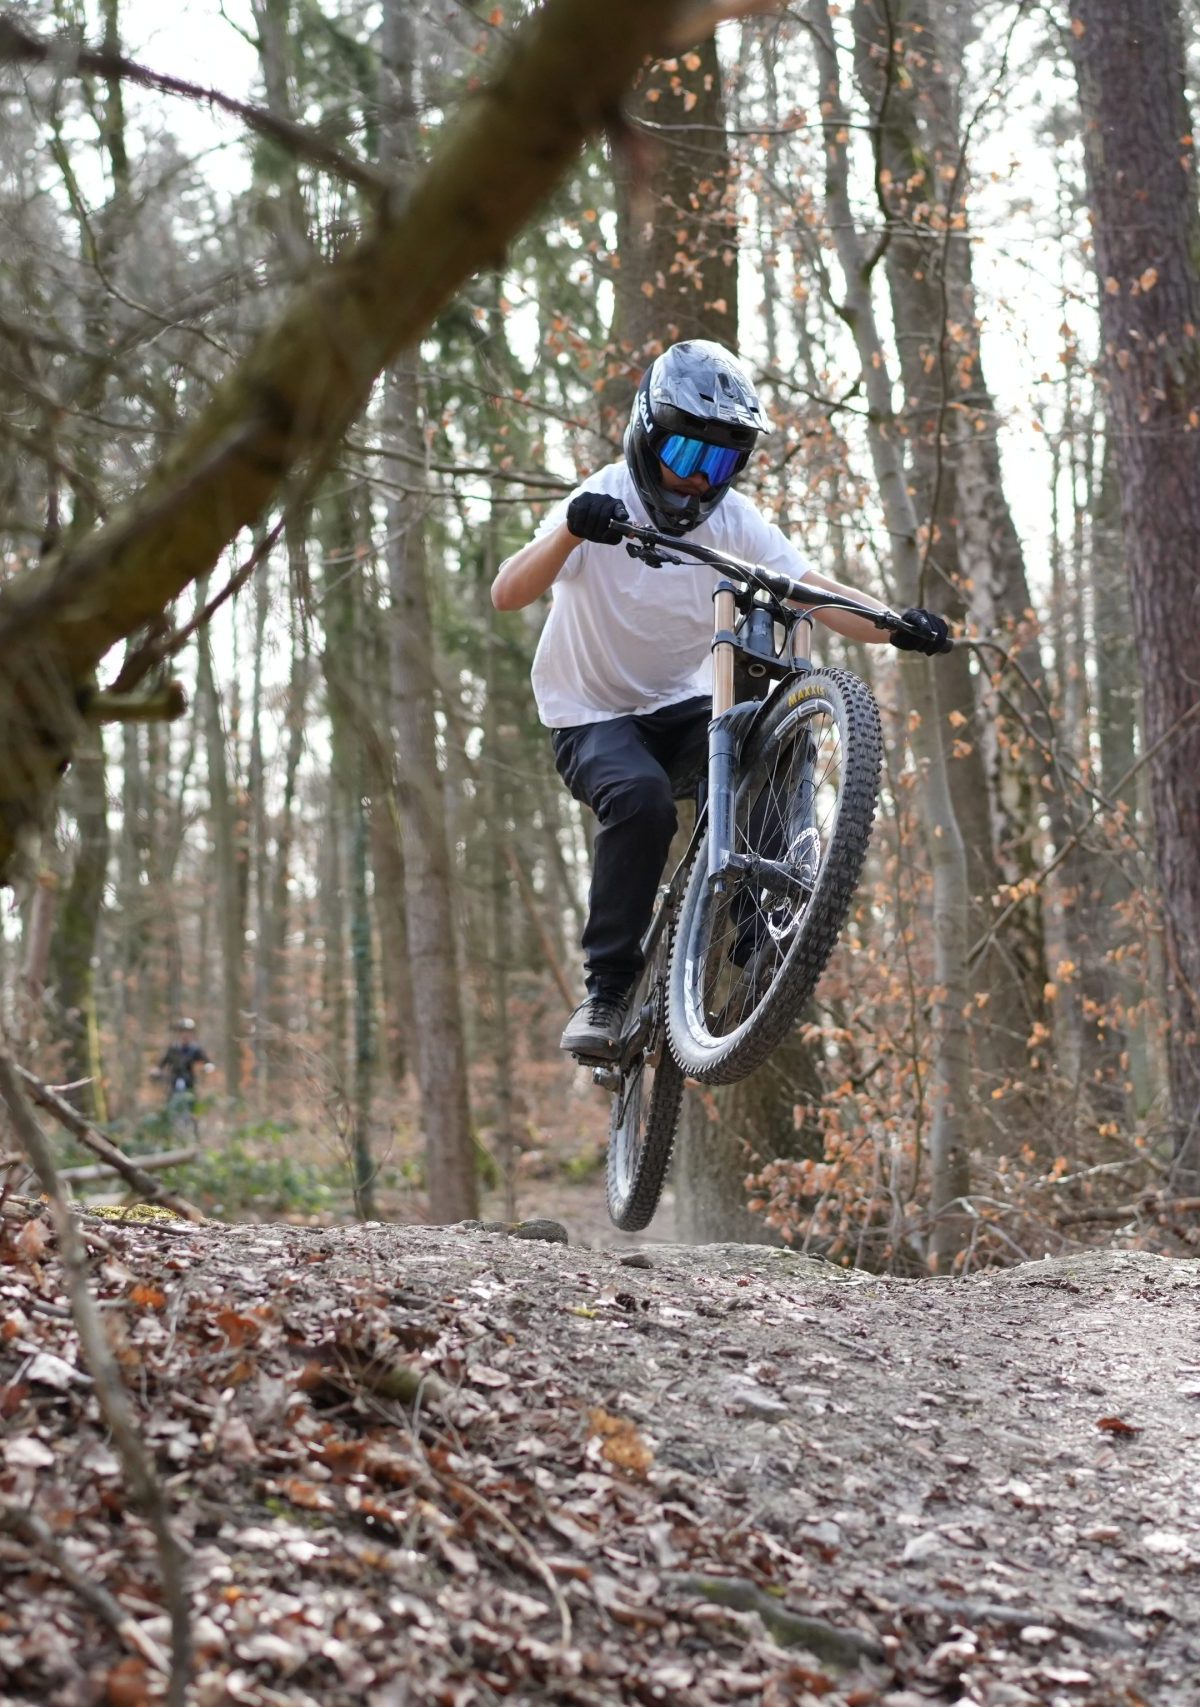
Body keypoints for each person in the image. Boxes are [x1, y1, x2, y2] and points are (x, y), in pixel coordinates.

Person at [491, 339, 951, 1061]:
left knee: (766, 730)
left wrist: (896, 625)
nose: (700, 482)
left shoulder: (734, 523)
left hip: (681, 709)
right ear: (647, 435)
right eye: (687, 456)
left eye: (721, 464)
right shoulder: (602, 495)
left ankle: (757, 926)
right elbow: (506, 591)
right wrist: (569, 530)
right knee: (640, 800)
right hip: (591, 716)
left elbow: (814, 590)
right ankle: (606, 991)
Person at [157, 1018, 211, 1100]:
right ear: (179, 1033)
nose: (185, 1035)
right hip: (174, 1082)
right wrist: (157, 1070)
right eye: (183, 1032)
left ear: (192, 1034)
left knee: (191, 1101)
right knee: (171, 1102)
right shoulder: (173, 1048)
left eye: (188, 1032)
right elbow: (163, 1062)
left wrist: (207, 1066)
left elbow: (206, 1061)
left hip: (189, 1081)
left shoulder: (195, 1049)